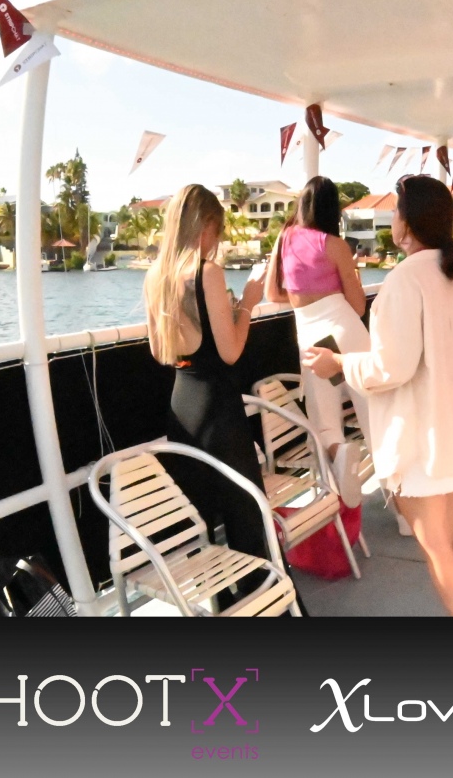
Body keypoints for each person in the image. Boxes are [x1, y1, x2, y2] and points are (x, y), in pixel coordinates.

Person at [303, 175, 453, 616]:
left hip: (421, 436)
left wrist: (339, 364)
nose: (392, 219)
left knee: (436, 547)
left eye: (396, 211)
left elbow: (392, 367)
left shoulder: (406, 278)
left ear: (408, 221)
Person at [143, 184, 271, 600]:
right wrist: (248, 302)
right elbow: (230, 352)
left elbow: (160, 352)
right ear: (205, 227)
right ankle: (262, 607)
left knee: (202, 520)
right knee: (246, 517)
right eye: (217, 230)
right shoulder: (207, 272)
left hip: (182, 407)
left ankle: (221, 604)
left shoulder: (155, 277)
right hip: (219, 410)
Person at [264, 177, 370, 478]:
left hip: (311, 336)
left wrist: (306, 294)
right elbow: (358, 307)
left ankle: (344, 483)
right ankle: (399, 500)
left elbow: (272, 294)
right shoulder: (335, 245)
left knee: (326, 424)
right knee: (372, 412)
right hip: (343, 327)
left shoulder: (284, 239)